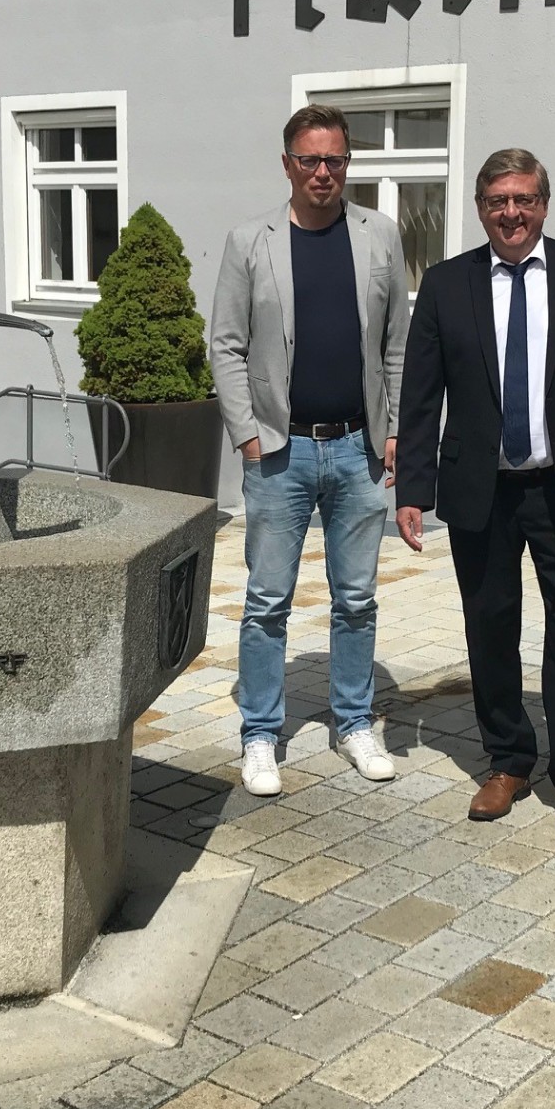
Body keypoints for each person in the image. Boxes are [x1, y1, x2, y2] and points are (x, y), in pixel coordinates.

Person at [395, 149, 555, 841]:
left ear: (544, 203)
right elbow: (421, 394)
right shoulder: (446, 283)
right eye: (499, 200)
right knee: (490, 624)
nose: (512, 213)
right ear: (481, 208)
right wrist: (413, 486)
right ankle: (507, 758)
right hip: (481, 490)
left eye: (525, 199)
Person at [210, 105, 411, 797]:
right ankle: (261, 733)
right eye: (310, 160)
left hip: (357, 449)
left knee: (356, 599)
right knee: (268, 600)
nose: (323, 172)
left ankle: (355, 720)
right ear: (288, 163)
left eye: (335, 160)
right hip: (278, 452)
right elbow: (226, 345)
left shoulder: (380, 236)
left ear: (347, 164)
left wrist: (394, 429)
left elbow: (396, 345)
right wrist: (246, 431)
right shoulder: (250, 241)